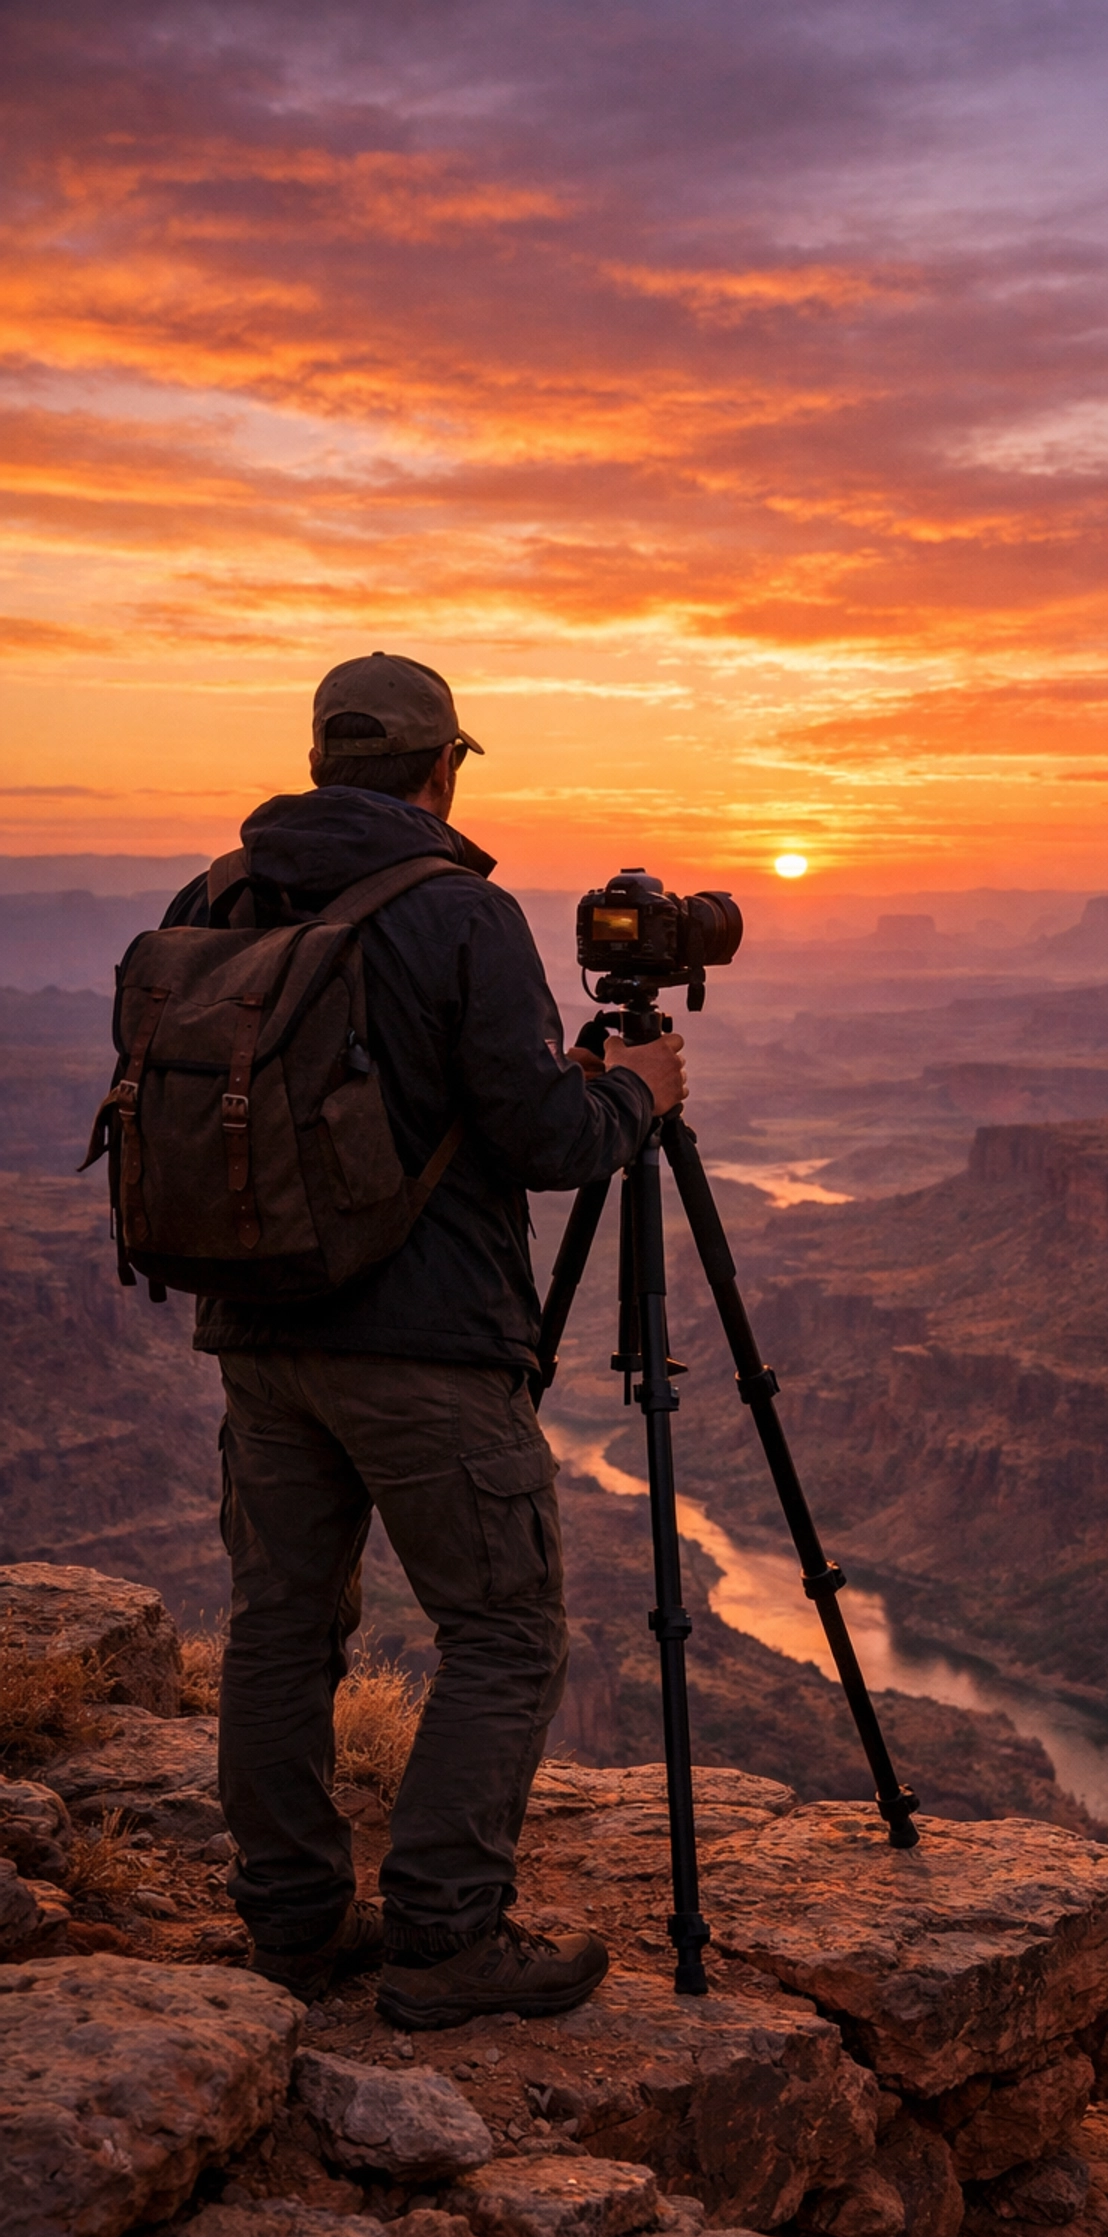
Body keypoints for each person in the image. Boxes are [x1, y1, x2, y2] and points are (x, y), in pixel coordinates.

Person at [162, 652, 685, 2029]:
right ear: (443, 768)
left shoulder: (209, 895)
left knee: (279, 1627)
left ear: (326, 759)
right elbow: (545, 1139)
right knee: (506, 1628)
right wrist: (630, 1096)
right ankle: (448, 1938)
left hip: (256, 1332)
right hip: (424, 1348)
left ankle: (289, 1926)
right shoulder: (460, 912)